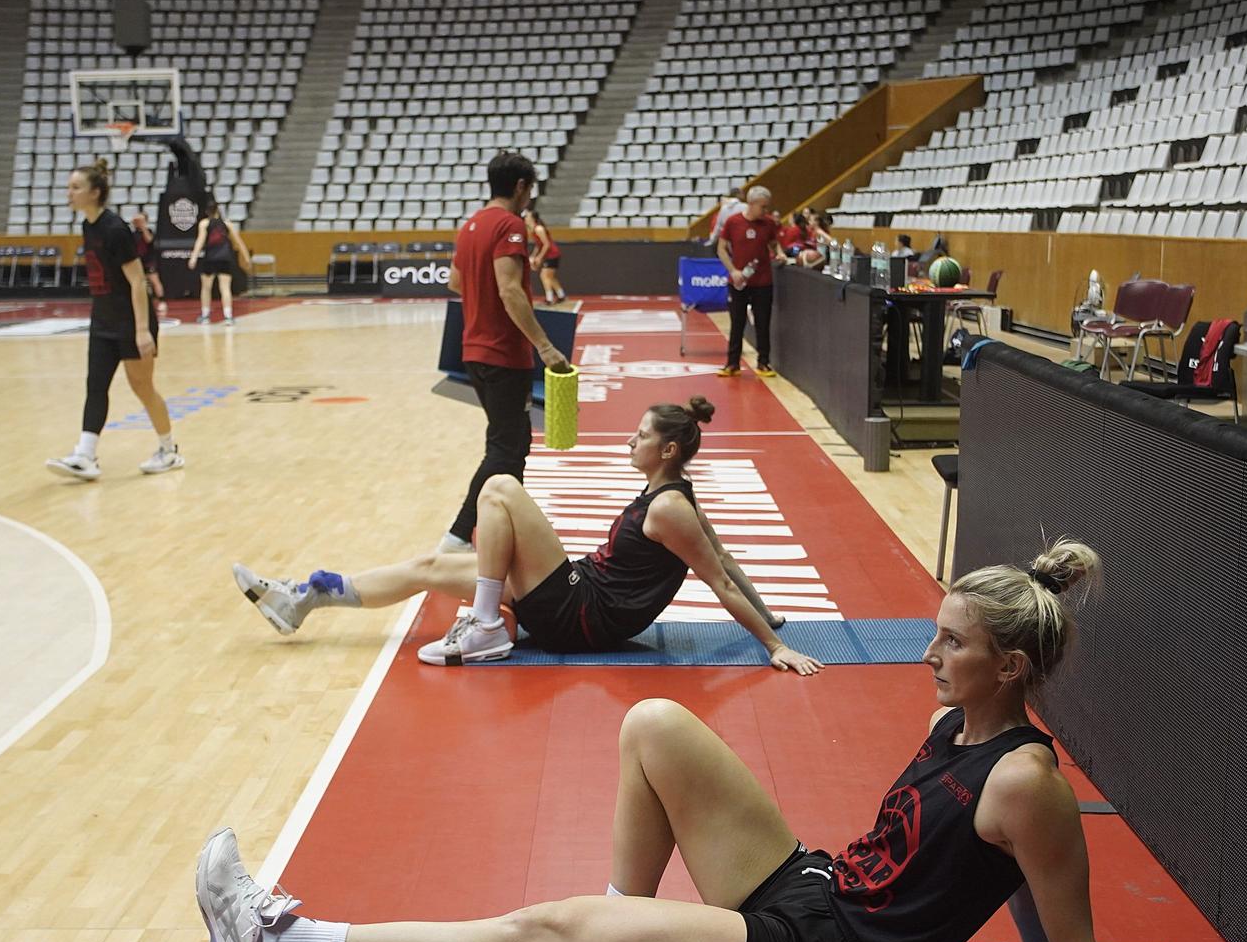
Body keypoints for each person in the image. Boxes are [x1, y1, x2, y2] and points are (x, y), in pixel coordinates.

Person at [195, 540, 1247, 942]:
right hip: (812, 892)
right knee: (654, 722)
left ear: (1008, 666)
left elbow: (1074, 938)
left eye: (950, 644)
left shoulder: (1029, 783)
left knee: (538, 926)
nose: (927, 653)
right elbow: (1020, 889)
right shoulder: (961, 727)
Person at [231, 398, 821, 672]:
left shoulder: (671, 510)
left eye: (639, 437)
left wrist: (773, 648)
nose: (629, 442)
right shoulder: (674, 498)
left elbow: (717, 576)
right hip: (577, 595)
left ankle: (486, 625)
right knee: (429, 568)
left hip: (583, 614)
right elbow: (725, 558)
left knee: (501, 488)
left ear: (666, 450)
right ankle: (303, 599)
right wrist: (770, 620)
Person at [437, 151, 570, 555]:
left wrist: (484, 303)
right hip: (501, 352)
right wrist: (545, 346)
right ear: (520, 187)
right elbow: (510, 289)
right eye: (530, 190)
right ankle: (459, 536)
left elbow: (456, 283)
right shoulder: (510, 225)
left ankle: (510, 528)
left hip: (475, 350)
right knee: (505, 446)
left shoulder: (471, 225)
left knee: (514, 442)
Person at [45, 158, 184, 481]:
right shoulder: (88, 226)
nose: (70, 192)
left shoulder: (114, 229)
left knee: (143, 388)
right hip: (103, 320)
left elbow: (138, 281)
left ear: (95, 192)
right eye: (69, 187)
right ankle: (85, 455)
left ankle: (169, 450)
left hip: (131, 321)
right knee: (95, 385)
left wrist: (141, 330)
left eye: (76, 187)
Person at [713, 185, 783, 378]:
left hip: (763, 281)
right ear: (751, 204)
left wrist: (780, 253)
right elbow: (721, 249)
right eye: (763, 206)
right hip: (738, 282)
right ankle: (732, 364)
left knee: (763, 322)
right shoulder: (733, 222)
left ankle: (763, 363)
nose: (765, 211)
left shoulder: (768, 224)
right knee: (737, 322)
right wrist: (733, 271)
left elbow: (773, 243)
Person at [187, 198, 247, 325]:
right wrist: (246, 257)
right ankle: (228, 316)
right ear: (218, 211)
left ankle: (205, 316)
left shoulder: (204, 223)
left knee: (206, 288)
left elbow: (200, 241)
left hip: (210, 258)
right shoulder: (227, 224)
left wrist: (193, 257)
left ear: (207, 212)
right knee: (225, 288)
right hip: (225, 258)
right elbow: (238, 242)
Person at [526, 207, 566, 305]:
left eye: (527, 216)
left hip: (552, 254)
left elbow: (547, 244)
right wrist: (533, 255)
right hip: (549, 254)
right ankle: (561, 296)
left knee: (544, 276)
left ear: (532, 218)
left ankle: (549, 298)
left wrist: (539, 257)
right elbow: (538, 245)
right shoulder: (532, 229)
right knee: (550, 276)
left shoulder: (539, 228)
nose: (525, 218)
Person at [131, 211, 167, 318]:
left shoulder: (149, 231)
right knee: (139, 283)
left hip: (149, 261)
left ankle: (162, 302)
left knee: (155, 281)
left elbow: (149, 240)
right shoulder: (132, 234)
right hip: (138, 262)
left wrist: (143, 226)